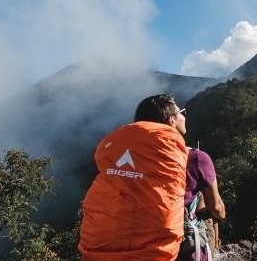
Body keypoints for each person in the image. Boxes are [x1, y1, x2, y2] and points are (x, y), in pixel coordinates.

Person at [79, 94, 189, 261]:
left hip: (98, 243)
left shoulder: (116, 141)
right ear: (171, 120)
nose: (184, 117)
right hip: (155, 251)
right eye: (182, 112)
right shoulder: (186, 154)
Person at [177, 147, 226, 261]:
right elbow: (218, 209)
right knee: (211, 213)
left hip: (148, 231)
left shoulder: (140, 153)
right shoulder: (196, 157)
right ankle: (213, 249)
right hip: (183, 237)